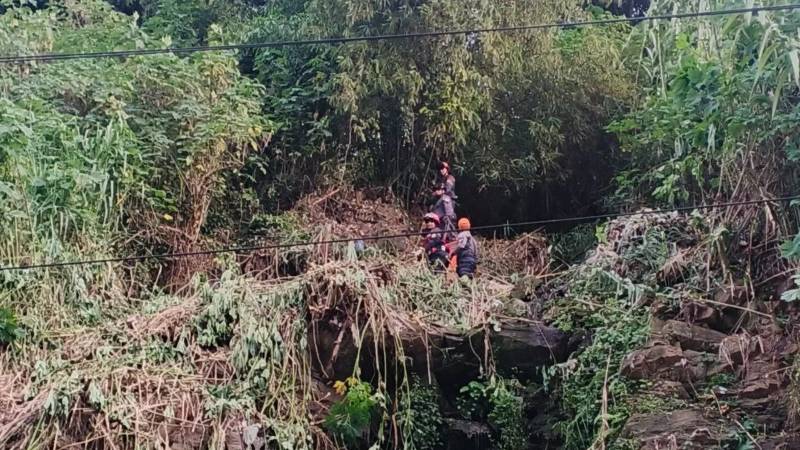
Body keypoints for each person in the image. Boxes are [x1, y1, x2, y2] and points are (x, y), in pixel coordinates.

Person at [430, 161, 457, 240]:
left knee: (448, 219)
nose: (441, 170)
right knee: (438, 217)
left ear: (447, 169)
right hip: (442, 201)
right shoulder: (441, 180)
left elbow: (447, 189)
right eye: (440, 169)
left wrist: (440, 192)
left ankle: (453, 236)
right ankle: (442, 236)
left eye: (443, 168)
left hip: (448, 201)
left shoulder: (450, 178)